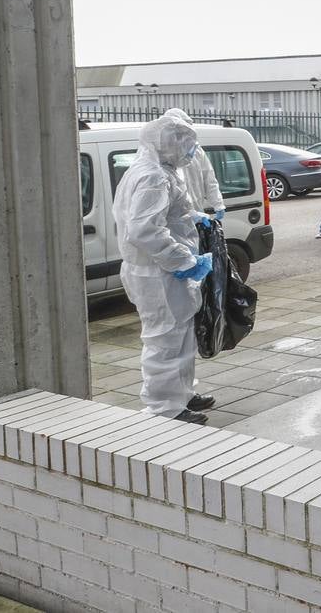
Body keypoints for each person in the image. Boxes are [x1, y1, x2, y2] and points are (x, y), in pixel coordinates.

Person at [111, 115, 216, 424]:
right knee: (164, 340)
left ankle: (182, 394)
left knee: (182, 336)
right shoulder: (152, 176)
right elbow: (144, 230)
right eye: (187, 143)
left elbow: (166, 211)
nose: (192, 150)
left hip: (162, 272)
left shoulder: (158, 173)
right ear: (168, 144)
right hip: (157, 274)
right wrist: (184, 261)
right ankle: (165, 407)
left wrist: (194, 216)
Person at [162, 108, 225, 220]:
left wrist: (218, 204)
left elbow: (208, 177)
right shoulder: (164, 154)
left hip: (198, 210)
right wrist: (190, 214)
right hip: (178, 217)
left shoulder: (196, 150)